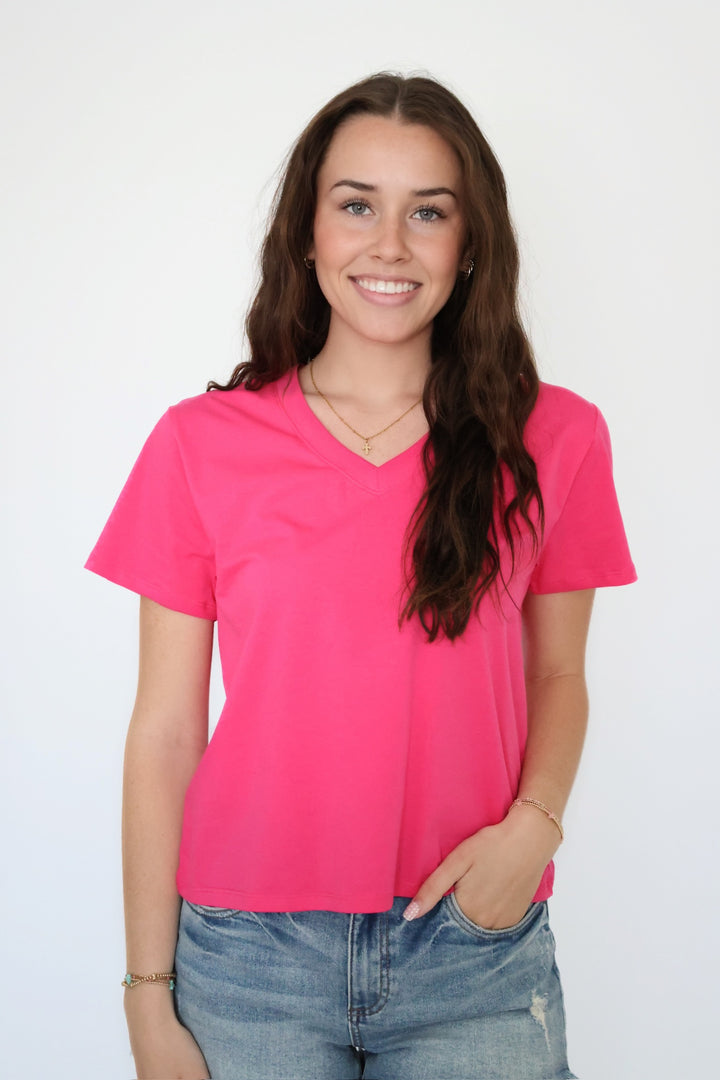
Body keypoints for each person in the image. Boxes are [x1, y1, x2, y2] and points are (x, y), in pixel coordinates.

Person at [86, 72, 636, 1080]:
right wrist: (147, 994)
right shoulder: (200, 444)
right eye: (355, 206)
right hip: (247, 958)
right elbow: (164, 732)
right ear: (307, 233)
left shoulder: (556, 436)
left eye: (428, 212)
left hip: (473, 947)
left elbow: (560, 673)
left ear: (471, 243)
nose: (389, 244)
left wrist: (533, 830)